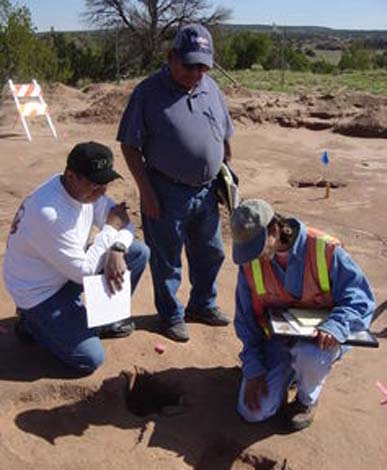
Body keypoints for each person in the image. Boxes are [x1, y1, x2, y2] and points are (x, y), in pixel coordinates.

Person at [117, 24, 234, 342]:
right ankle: (170, 315)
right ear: (171, 57)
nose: (195, 73)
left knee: (211, 252)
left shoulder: (211, 88)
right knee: (167, 258)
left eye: (202, 66)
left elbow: (224, 135)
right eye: (189, 65)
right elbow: (129, 145)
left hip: (207, 191)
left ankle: (202, 305)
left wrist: (226, 174)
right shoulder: (148, 93)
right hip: (165, 191)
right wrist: (147, 191)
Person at [3, 142, 149, 374]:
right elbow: (85, 272)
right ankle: (31, 323)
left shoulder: (87, 191)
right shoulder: (49, 213)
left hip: (66, 270)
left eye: (105, 184)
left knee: (137, 253)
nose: (101, 192)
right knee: (89, 358)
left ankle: (103, 320)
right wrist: (111, 230)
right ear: (71, 176)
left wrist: (118, 247)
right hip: (40, 293)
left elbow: (123, 222)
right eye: (94, 185)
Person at [231, 199, 375, 431]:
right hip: (276, 341)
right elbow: (246, 321)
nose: (255, 257)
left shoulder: (324, 249)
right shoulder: (250, 264)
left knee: (309, 355)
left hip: (318, 343)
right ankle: (289, 373)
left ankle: (306, 399)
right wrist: (253, 367)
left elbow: (360, 299)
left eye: (259, 248)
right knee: (253, 411)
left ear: (275, 229)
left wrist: (336, 326)